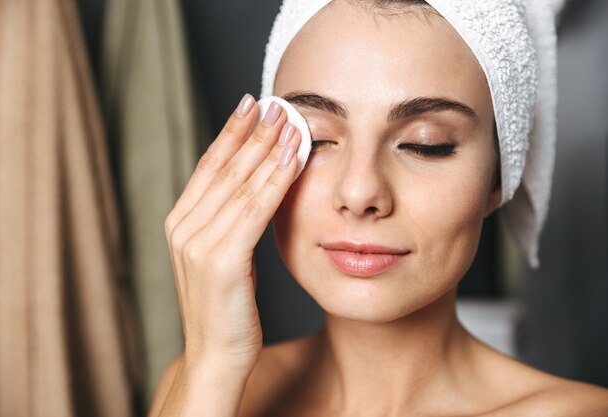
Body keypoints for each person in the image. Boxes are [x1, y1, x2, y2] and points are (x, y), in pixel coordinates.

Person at [149, 0, 608, 415]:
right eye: (315, 138)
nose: (360, 192)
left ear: (497, 177)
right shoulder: (202, 385)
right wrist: (211, 364)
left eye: (425, 145)